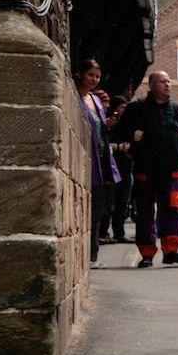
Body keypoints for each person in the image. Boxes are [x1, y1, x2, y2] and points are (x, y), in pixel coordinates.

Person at [113, 70, 178, 267]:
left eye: (169, 81)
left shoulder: (177, 108)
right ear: (152, 85)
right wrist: (132, 136)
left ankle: (171, 250)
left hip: (172, 169)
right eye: (162, 81)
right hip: (145, 169)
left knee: (173, 210)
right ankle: (147, 253)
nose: (167, 85)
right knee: (145, 212)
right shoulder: (137, 107)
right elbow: (118, 131)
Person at [74, 59, 121, 269]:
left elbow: (99, 129)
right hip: (85, 159)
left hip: (101, 161)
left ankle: (93, 255)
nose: (94, 80)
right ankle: (86, 255)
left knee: (98, 210)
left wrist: (107, 124)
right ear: (80, 74)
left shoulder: (94, 98)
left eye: (97, 76)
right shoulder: (76, 96)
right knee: (84, 209)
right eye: (90, 75)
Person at [103, 95, 134, 243]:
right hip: (111, 167)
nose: (124, 110)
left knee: (122, 202)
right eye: (122, 107)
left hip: (126, 168)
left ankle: (119, 233)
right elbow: (104, 144)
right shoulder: (109, 124)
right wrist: (119, 147)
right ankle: (103, 232)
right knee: (108, 202)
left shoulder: (129, 124)